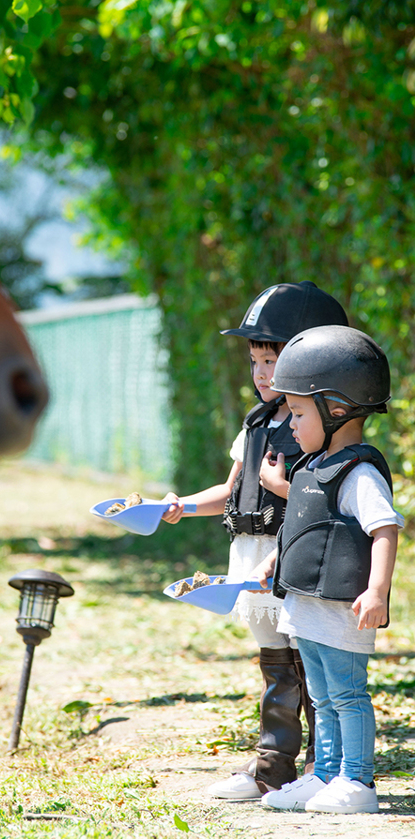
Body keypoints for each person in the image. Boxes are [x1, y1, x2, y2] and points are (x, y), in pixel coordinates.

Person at [161, 281, 348, 799]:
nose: (263, 374)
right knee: (275, 667)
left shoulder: (321, 427)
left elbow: (327, 502)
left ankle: (322, 768)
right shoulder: (257, 424)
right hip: (251, 555)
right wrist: (181, 506)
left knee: (312, 663)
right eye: (255, 362)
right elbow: (230, 489)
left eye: (274, 360)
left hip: (296, 558)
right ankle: (273, 767)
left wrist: (282, 487)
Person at [254, 325, 403, 815]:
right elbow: (303, 523)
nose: (291, 423)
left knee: (347, 696)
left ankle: (356, 781)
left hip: (341, 609)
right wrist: (277, 559)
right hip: (306, 606)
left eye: (297, 412)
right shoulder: (313, 465)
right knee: (321, 698)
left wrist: (378, 590)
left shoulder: (359, 472)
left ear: (336, 409)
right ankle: (325, 774)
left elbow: (385, 528)